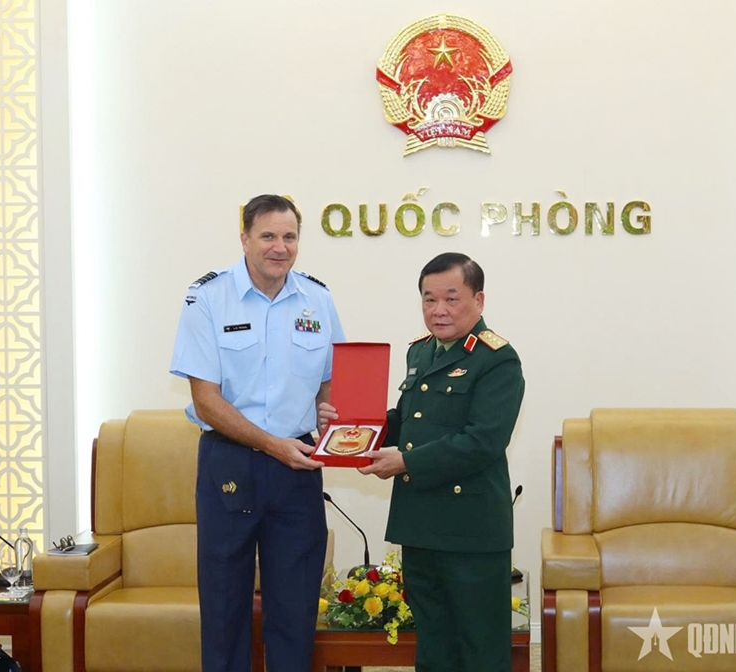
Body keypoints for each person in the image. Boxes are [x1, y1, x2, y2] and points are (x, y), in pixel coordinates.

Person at [321, 252, 525, 672]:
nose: (439, 310)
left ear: (479, 300)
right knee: (433, 648)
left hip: (471, 531)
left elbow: (483, 441)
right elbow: (408, 422)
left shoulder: (497, 359)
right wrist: (354, 428)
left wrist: (406, 462)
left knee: (480, 650)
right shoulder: (421, 353)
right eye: (429, 299)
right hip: (420, 525)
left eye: (451, 298)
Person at [170, 194, 345, 672]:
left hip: (299, 468)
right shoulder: (208, 298)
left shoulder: (318, 298)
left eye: (289, 237)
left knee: (296, 607)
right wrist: (271, 445)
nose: (279, 247)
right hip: (230, 463)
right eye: (268, 235)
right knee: (224, 607)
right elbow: (206, 400)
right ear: (245, 238)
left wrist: (335, 421)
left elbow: (332, 382)